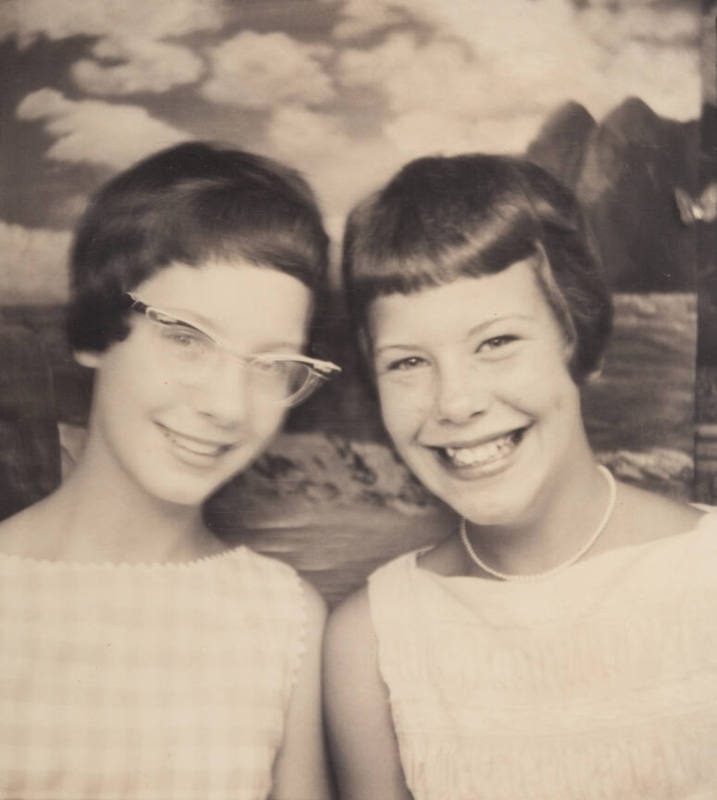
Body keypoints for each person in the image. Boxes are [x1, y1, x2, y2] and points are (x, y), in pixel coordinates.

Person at [324, 152, 717, 800]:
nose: (454, 402)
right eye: (407, 362)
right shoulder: (370, 644)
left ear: (576, 336)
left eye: (496, 342)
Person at [0, 141, 339, 800]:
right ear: (96, 330)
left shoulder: (282, 617)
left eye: (270, 364)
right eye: (186, 337)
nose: (224, 405)